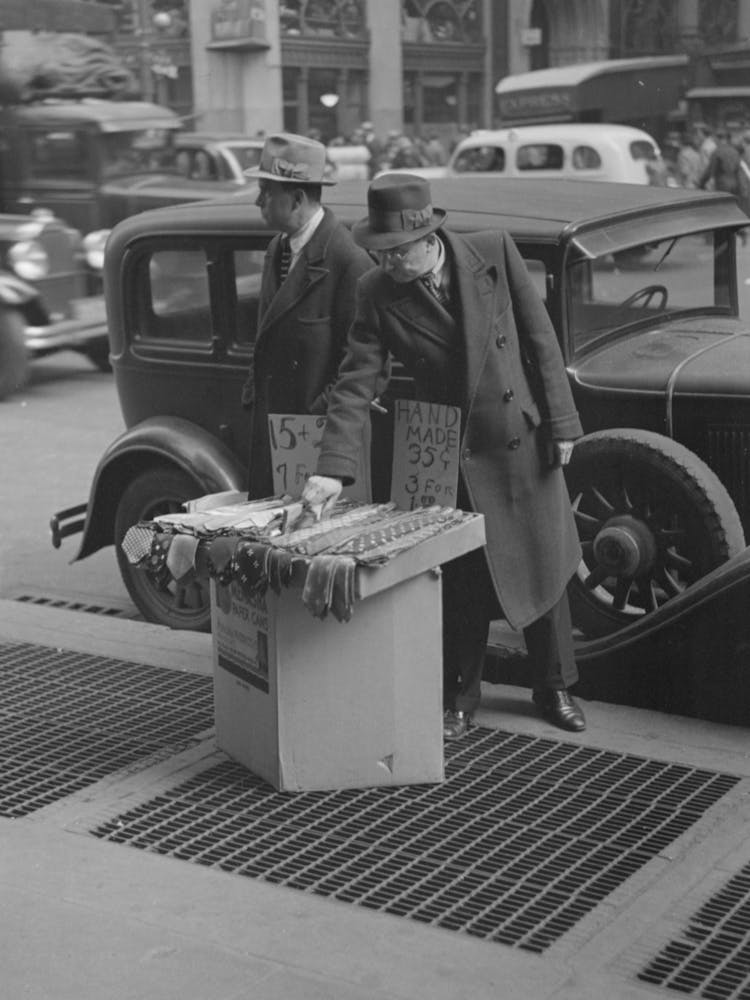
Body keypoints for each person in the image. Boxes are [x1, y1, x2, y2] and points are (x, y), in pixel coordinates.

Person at [302, 173, 587, 738]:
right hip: (453, 452)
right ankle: (460, 696)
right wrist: (331, 470)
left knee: (544, 563)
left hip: (522, 438)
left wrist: (563, 423)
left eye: (393, 253)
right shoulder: (376, 292)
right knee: (463, 579)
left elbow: (541, 341)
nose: (384, 264)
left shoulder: (493, 252)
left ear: (426, 238)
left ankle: (553, 688)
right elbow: (356, 381)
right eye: (377, 254)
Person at [241, 132, 373, 499]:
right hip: (277, 438)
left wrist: (312, 415)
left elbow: (366, 368)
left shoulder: (349, 261)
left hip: (322, 450)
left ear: (297, 198)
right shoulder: (277, 249)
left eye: (266, 192)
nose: (258, 201)